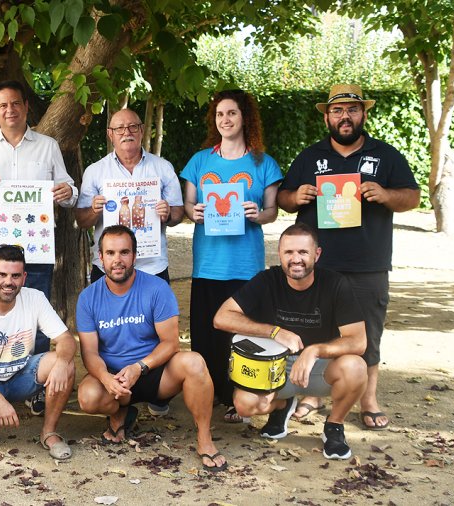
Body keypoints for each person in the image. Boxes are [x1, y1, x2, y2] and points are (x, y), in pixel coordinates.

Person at [277, 84, 420, 429]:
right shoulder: (309, 157)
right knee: (316, 330)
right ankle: (313, 394)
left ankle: (368, 398)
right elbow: (282, 198)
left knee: (368, 333)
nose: (345, 117)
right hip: (317, 264)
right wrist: (297, 196)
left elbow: (412, 197)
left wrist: (386, 194)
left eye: (352, 110)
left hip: (367, 263)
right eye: (338, 111)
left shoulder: (385, 155)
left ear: (363, 115)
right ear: (327, 116)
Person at [0, 80, 78, 416]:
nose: (10, 111)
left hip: (34, 241)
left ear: (26, 107)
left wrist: (68, 193)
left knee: (35, 310)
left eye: (15, 104)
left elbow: (69, 189)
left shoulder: (48, 146)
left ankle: (38, 388)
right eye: (3, 106)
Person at [75, 225, 227, 472]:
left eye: (124, 252)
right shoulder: (88, 297)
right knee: (87, 397)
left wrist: (139, 367)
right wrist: (105, 378)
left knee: (195, 362)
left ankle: (205, 439)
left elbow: (171, 343)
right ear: (100, 257)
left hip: (154, 371)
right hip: (113, 375)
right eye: (111, 253)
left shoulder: (157, 288)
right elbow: (89, 353)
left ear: (135, 255)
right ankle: (119, 415)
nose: (118, 260)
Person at [213, 223, 368, 459]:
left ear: (317, 254)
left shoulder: (335, 284)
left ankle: (334, 425)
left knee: (356, 367)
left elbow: (358, 341)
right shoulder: (267, 280)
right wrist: (274, 332)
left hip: (318, 369)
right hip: (273, 366)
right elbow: (221, 317)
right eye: (289, 252)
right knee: (244, 405)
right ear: (280, 254)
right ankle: (283, 406)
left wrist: (315, 350)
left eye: (303, 252)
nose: (296, 259)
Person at [180, 90, 283, 424]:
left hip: (245, 265)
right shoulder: (199, 161)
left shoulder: (263, 163)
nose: (225, 120)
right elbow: (187, 207)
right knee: (206, 333)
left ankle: (237, 397)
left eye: (232, 113)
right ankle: (206, 393)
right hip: (208, 264)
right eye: (220, 114)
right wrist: (192, 212)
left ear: (245, 118)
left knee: (241, 335)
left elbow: (272, 211)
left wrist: (258, 213)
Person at [75, 107, 185, 417]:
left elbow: (178, 214)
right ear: (109, 134)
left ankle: (157, 391)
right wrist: (93, 210)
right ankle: (115, 387)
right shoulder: (96, 171)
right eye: (119, 128)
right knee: (113, 331)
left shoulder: (162, 168)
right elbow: (82, 219)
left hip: (151, 263)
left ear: (142, 131)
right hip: (111, 268)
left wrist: (168, 213)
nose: (127, 132)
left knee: (155, 330)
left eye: (133, 126)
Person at [0, 244, 76, 460]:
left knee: (65, 364)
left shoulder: (34, 298)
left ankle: (49, 432)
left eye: (15, 275)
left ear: (24, 277)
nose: (9, 282)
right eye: (2, 275)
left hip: (20, 375)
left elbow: (65, 339)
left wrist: (62, 363)